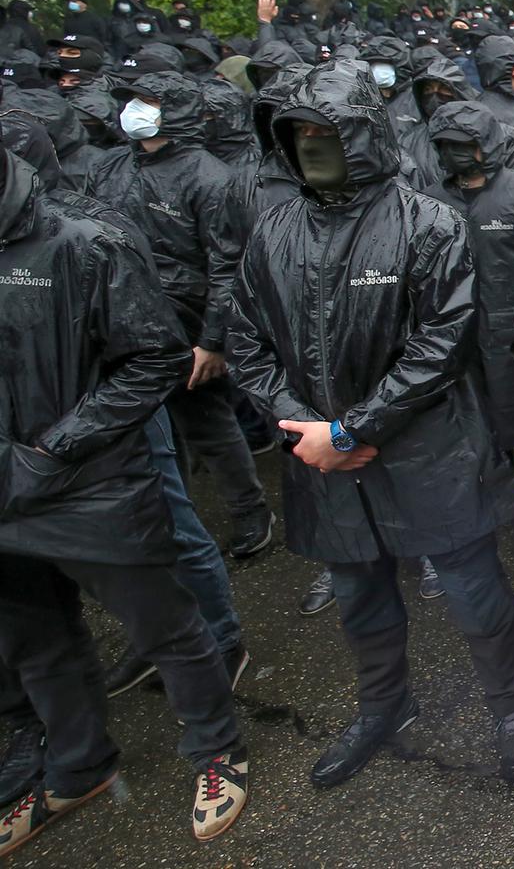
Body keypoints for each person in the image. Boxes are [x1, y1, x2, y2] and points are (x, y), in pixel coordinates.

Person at [226, 62, 514, 788]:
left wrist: (352, 430)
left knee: (473, 595)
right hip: (322, 457)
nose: (312, 146)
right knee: (360, 598)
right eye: (299, 134)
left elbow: (443, 344)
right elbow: (247, 339)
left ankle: (511, 709)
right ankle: (383, 706)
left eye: (326, 132)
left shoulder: (428, 223)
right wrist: (307, 429)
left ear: (364, 134)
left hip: (429, 452)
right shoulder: (274, 229)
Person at [0, 149, 250, 854]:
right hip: (6, 498)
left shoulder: (85, 242)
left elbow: (153, 358)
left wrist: (56, 448)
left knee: (166, 629)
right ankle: (78, 765)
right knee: (35, 643)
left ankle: (216, 750)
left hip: (88, 484)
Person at [85, 72, 274, 557]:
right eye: (133, 99)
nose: (135, 109)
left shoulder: (211, 178)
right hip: (119, 317)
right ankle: (170, 518)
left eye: (148, 101)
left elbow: (228, 265)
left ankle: (250, 511)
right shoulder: (109, 167)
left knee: (206, 422)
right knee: (142, 429)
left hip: (184, 323)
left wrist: (213, 341)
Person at [421, 101, 514, 454]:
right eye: (446, 145)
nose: (455, 153)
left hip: (512, 331)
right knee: (467, 423)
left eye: (464, 144)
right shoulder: (429, 202)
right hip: (452, 335)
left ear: (486, 143)